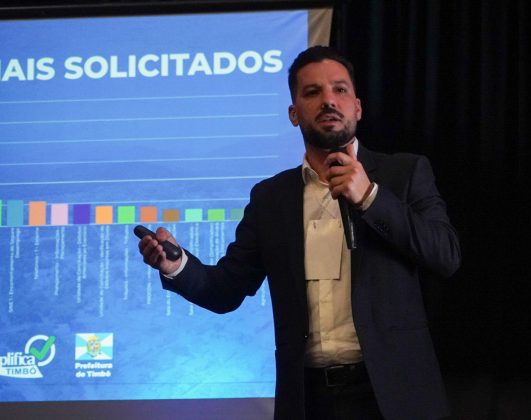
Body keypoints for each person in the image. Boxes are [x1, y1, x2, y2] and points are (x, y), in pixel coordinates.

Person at [138, 46, 461, 420]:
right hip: (309, 400)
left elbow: (445, 255)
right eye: (312, 92)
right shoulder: (271, 198)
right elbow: (225, 289)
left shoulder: (404, 174)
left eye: (339, 90)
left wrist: (371, 197)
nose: (328, 100)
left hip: (393, 396)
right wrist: (177, 265)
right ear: (294, 113)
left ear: (357, 107)